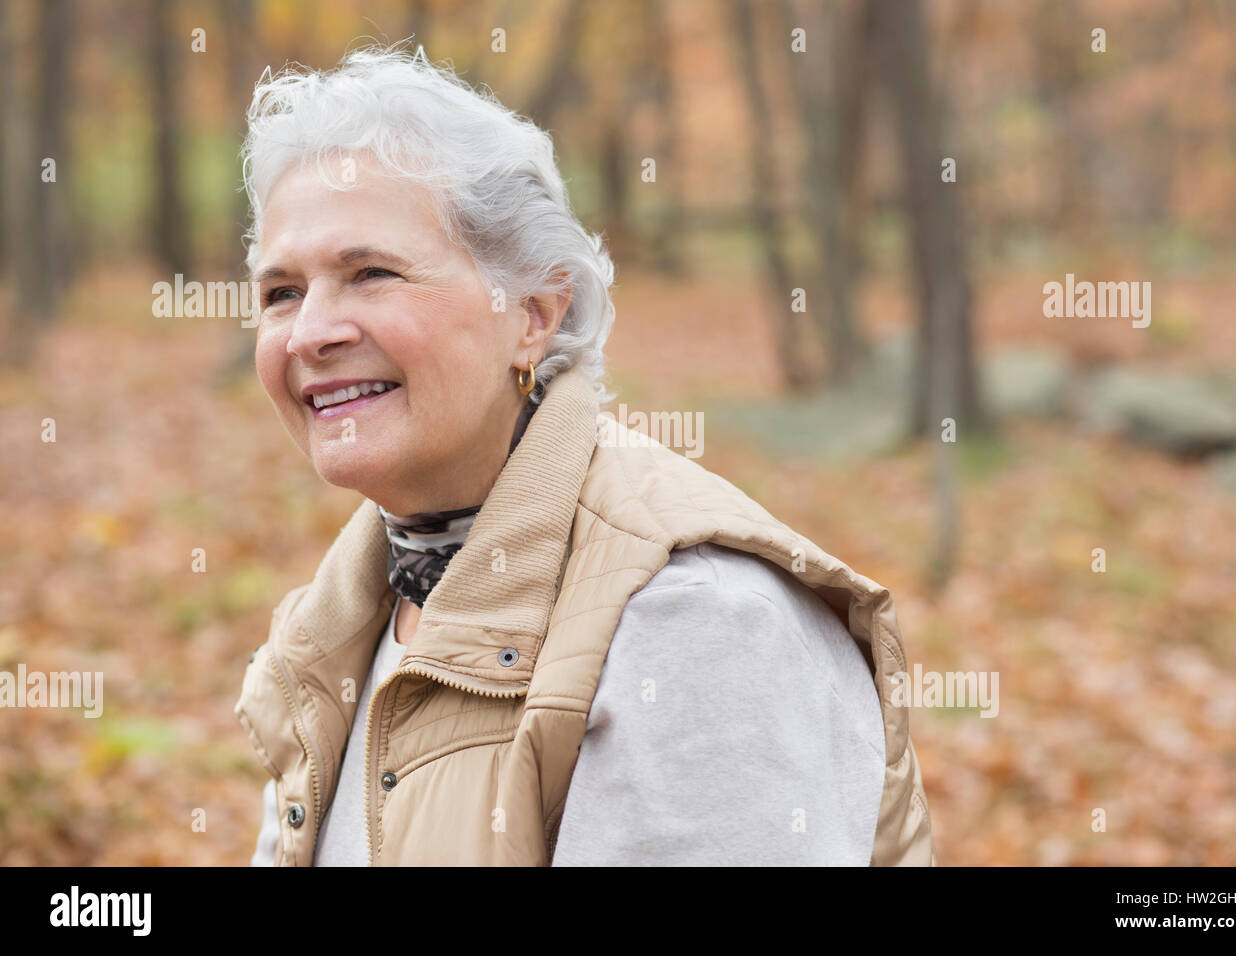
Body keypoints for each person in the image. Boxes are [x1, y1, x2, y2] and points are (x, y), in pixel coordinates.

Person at [234, 42, 934, 866]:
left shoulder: (696, 622)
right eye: (282, 292)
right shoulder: (337, 625)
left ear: (533, 312)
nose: (313, 332)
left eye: (373, 273)